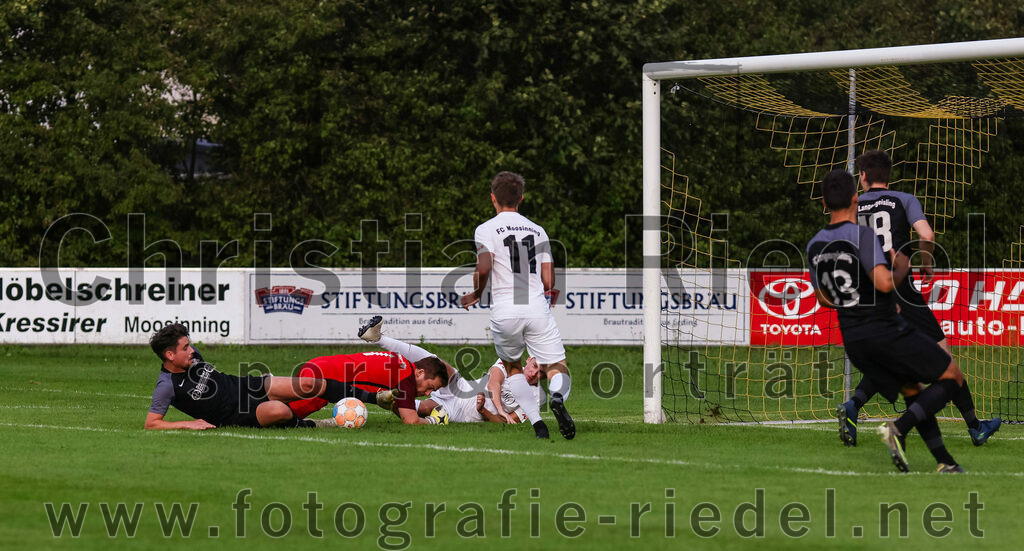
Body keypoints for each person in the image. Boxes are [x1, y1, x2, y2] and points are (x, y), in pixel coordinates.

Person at [808, 169, 970, 473]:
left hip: (854, 340)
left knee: (912, 389)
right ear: (855, 198)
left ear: (824, 203)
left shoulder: (815, 245)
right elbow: (884, 283)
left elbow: (823, 299)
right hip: (885, 331)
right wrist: (901, 268)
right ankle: (897, 428)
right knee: (952, 376)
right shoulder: (862, 235)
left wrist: (855, 301)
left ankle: (944, 462)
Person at [836, 150, 1000, 447]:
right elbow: (927, 235)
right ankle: (975, 427)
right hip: (900, 290)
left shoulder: (852, 205)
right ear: (888, 176)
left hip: (865, 292)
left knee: (890, 359)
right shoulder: (904, 199)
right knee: (946, 363)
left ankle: (853, 405)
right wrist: (926, 263)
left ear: (863, 177)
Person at [459, 171, 574, 440]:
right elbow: (549, 280)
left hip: (505, 310)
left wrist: (476, 293)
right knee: (556, 365)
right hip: (535, 307)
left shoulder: (486, 229)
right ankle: (557, 397)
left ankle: (538, 425)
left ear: (493, 198)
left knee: (512, 367)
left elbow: (484, 267)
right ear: (521, 199)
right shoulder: (538, 230)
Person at [145, 323, 388, 430]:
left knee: (308, 383)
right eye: (185, 347)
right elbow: (152, 423)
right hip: (236, 414)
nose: (191, 350)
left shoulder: (191, 356)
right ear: (170, 355)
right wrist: (188, 423)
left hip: (247, 386)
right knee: (278, 411)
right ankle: (316, 424)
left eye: (189, 344)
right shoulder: (166, 385)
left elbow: (213, 377)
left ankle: (376, 398)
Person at [358, 315, 542, 424]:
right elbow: (494, 382)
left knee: (420, 408)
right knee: (435, 363)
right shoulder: (509, 361)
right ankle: (378, 338)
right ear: (529, 359)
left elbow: (508, 422)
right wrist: (500, 409)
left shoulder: (538, 397)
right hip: (462, 387)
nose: (534, 374)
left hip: (461, 414)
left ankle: (374, 396)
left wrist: (483, 411)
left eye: (541, 373)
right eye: (535, 366)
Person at [287, 347, 450, 425]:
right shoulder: (406, 378)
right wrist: (433, 421)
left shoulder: (402, 365)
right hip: (323, 377)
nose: (427, 393)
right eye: (430, 387)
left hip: (319, 365)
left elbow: (397, 407)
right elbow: (411, 421)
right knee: (285, 417)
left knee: (281, 401)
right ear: (420, 372)